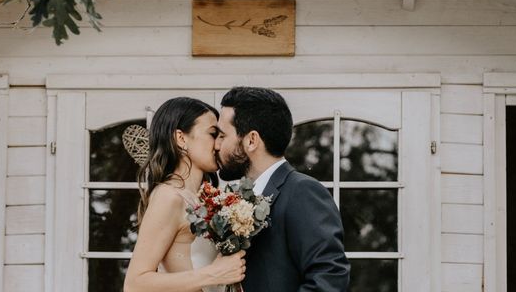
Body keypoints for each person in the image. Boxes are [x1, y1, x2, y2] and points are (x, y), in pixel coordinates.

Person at [215, 87, 350, 292]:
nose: (216, 145)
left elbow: (329, 279)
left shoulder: (302, 192)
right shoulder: (240, 198)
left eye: (222, 136)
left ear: (251, 140)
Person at [124, 97, 246, 292]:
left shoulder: (200, 198)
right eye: (213, 134)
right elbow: (134, 284)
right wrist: (214, 273)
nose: (218, 145)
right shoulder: (168, 196)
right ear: (181, 138)